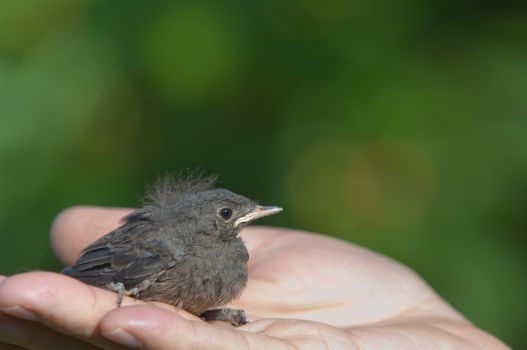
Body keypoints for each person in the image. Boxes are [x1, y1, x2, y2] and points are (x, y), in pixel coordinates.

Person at [0, 206, 508, 349]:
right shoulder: (163, 242)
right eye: (229, 214)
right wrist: (105, 288)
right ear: (206, 221)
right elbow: (90, 269)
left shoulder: (233, 257)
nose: (241, 220)